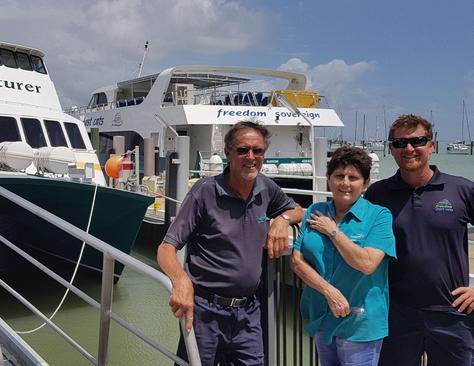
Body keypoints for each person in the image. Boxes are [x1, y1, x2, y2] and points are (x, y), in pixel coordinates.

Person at [157, 121, 304, 365]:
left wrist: (282, 220)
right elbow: (166, 248)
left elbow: (298, 209)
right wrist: (181, 280)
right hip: (205, 311)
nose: (251, 157)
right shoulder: (205, 191)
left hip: (249, 313)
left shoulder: (265, 187)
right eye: (243, 150)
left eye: (258, 151)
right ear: (227, 153)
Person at [364, 114, 474, 366]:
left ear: (432, 145)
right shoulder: (377, 194)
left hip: (453, 313)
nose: (409, 149)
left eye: (418, 141)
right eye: (400, 143)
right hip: (395, 313)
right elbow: (351, 231)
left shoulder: (461, 190)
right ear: (391, 148)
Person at [291, 146, 396, 366]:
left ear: (365, 183)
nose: (345, 183)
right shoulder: (315, 211)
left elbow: (367, 264)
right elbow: (297, 262)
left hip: (360, 321)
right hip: (322, 315)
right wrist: (329, 292)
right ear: (329, 179)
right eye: (339, 176)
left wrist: (333, 231)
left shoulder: (379, 215)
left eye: (353, 177)